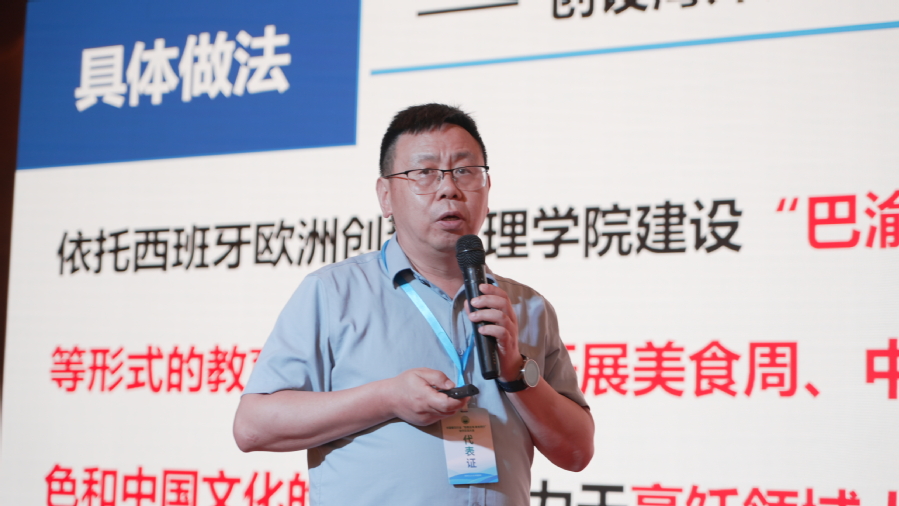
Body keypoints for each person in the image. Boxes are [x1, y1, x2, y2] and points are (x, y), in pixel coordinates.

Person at [233, 103, 594, 505]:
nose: (449, 188)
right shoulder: (334, 292)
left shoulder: (528, 307)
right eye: (424, 173)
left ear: (487, 190)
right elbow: (253, 427)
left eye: (465, 171)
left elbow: (577, 451)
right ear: (386, 196)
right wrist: (387, 398)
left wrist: (514, 371)